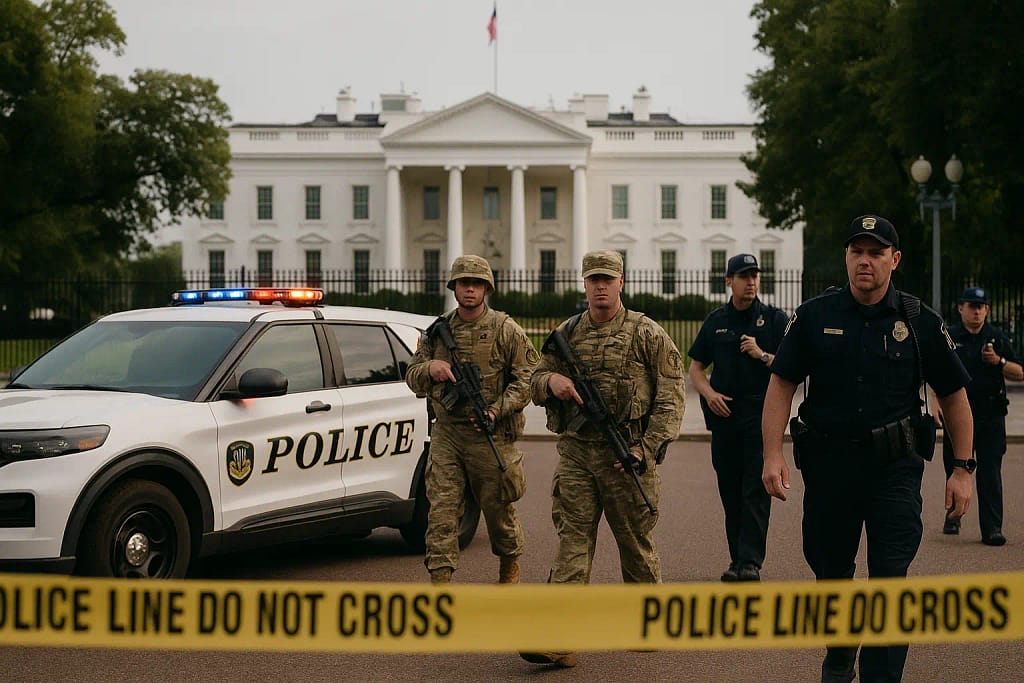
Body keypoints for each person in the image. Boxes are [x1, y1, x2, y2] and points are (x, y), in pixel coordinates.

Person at [761, 215, 974, 683]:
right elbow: (781, 384)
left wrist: (962, 469)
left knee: (890, 578)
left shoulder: (919, 321)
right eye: (857, 251)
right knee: (831, 570)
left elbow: (955, 396)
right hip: (829, 468)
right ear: (846, 257)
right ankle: (840, 653)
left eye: (876, 252)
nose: (865, 260)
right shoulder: (815, 316)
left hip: (893, 469)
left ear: (894, 260)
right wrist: (771, 453)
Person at [520, 250, 685, 669]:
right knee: (572, 542)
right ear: (584, 282)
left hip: (626, 455)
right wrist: (551, 380)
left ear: (621, 282)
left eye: (607, 279)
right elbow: (533, 380)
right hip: (577, 453)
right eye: (593, 279)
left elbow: (671, 396)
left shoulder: (646, 332)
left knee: (635, 543)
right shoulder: (567, 333)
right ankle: (559, 638)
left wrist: (643, 450)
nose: (599, 286)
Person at [405, 255, 539, 585]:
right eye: (464, 283)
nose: (470, 289)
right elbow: (412, 376)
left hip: (489, 435)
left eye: (476, 284)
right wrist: (431, 369)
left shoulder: (505, 330)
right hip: (448, 434)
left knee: (498, 511)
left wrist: (497, 409)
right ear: (454, 288)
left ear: (486, 289)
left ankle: (509, 564)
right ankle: (441, 581)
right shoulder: (437, 332)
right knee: (441, 512)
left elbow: (528, 379)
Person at [688, 253, 789, 583]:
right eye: (744, 276)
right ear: (729, 281)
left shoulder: (773, 319)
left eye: (755, 275)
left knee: (754, 493)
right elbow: (696, 368)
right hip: (725, 419)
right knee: (731, 492)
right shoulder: (716, 321)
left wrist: (761, 354)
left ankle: (751, 563)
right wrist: (709, 394)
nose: (752, 282)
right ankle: (737, 560)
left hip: (760, 419)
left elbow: (790, 367)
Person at [935, 286, 1023, 544]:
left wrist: (1000, 362)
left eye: (980, 307)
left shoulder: (997, 338)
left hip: (991, 415)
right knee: (955, 467)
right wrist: (935, 402)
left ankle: (992, 529)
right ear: (960, 308)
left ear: (986, 310)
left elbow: (1020, 372)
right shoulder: (949, 336)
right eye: (971, 306)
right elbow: (934, 372)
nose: (976, 311)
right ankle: (953, 516)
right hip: (958, 418)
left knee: (990, 473)